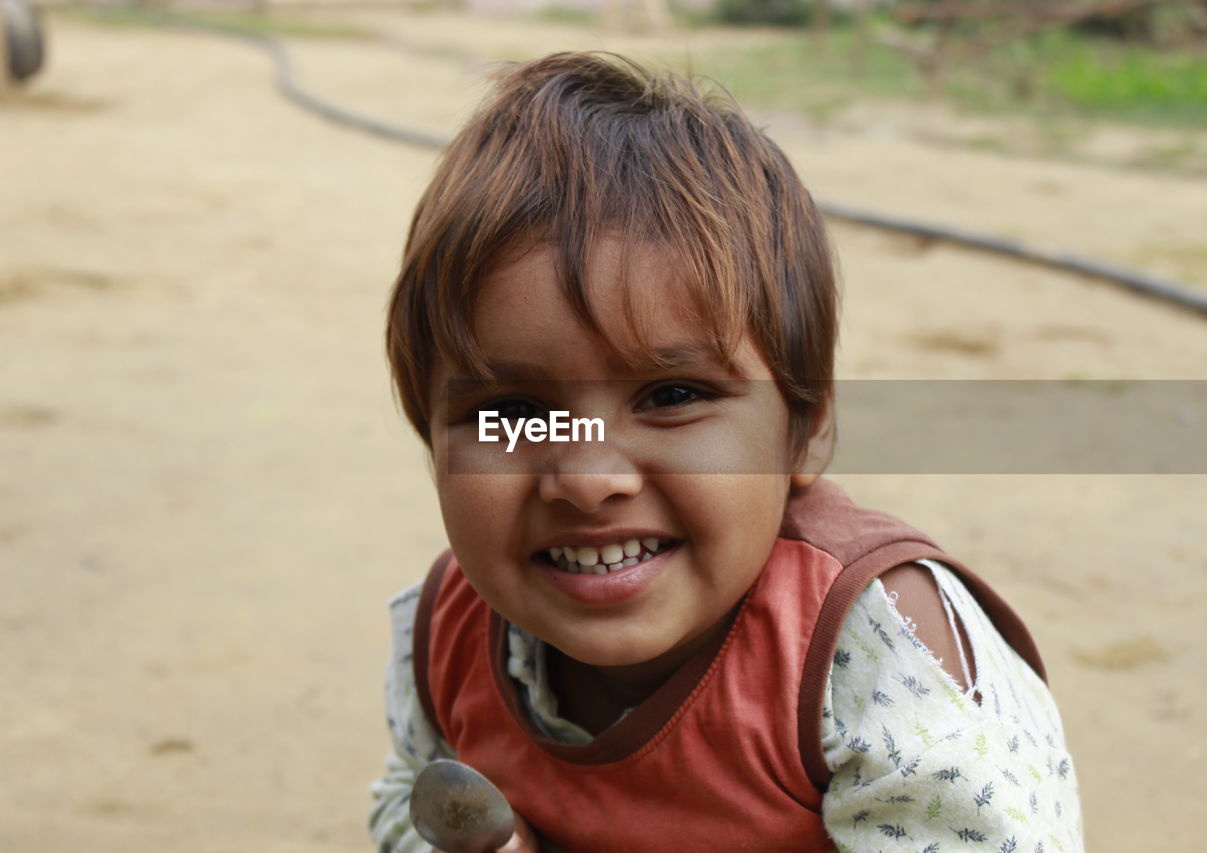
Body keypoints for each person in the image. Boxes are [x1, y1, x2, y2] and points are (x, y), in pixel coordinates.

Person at [370, 52, 1083, 853]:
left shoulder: (878, 652)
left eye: (671, 396)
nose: (589, 477)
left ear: (805, 427)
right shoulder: (449, 628)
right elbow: (413, 792)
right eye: (514, 411)